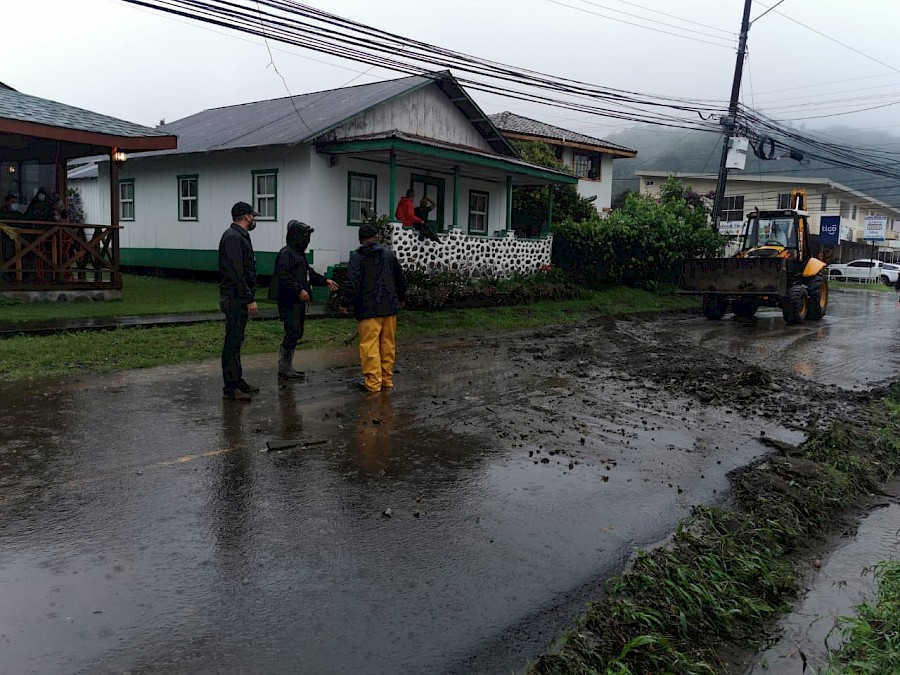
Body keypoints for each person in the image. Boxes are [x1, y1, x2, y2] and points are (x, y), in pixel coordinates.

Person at [340, 223, 407, 393]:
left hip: (368, 309)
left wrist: (345, 303)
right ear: (376, 237)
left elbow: (352, 282)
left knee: (370, 346)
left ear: (361, 239)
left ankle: (373, 383)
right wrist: (401, 298)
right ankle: (386, 380)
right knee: (387, 345)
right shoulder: (389, 255)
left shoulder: (358, 256)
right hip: (390, 308)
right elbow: (400, 278)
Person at [273, 220, 339, 380]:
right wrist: (299, 289)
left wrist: (325, 281)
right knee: (292, 331)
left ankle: (286, 367)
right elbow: (284, 276)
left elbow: (308, 273)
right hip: (289, 301)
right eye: (304, 235)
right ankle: (284, 368)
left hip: (297, 302)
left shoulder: (298, 254)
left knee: (296, 332)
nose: (307, 239)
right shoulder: (286, 254)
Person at [219, 201, 261, 401]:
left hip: (237, 297)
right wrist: (249, 298)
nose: (253, 220)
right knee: (232, 342)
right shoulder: (233, 238)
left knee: (237, 341)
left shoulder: (238, 236)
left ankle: (237, 380)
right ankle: (230, 388)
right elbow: (237, 273)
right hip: (235, 299)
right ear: (246, 217)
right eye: (252, 216)